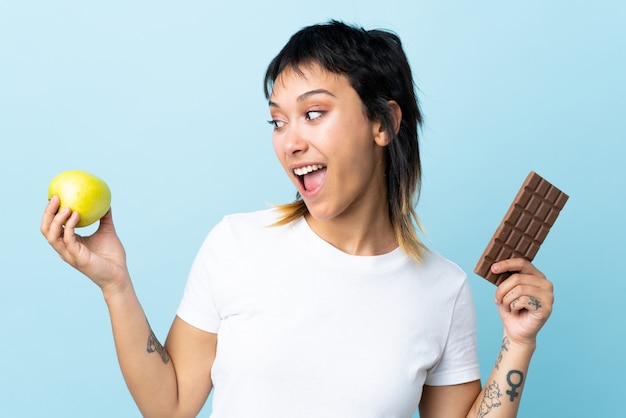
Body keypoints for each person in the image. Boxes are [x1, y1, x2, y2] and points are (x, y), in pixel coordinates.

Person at [41, 20, 554, 418]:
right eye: (277, 120)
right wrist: (116, 285)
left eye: (314, 113)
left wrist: (518, 342)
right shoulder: (236, 245)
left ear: (384, 122)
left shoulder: (442, 290)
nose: (290, 141)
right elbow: (171, 404)